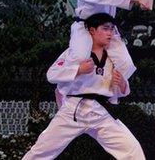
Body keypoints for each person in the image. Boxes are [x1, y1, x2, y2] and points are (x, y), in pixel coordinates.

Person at [23, 13, 145, 159]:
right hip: (72, 110)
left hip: (98, 112)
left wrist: (123, 85)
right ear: (92, 30)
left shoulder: (113, 59)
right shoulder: (75, 54)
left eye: (112, 29)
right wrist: (78, 70)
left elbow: (119, 92)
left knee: (132, 149)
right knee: (41, 151)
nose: (110, 33)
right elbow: (52, 74)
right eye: (105, 28)